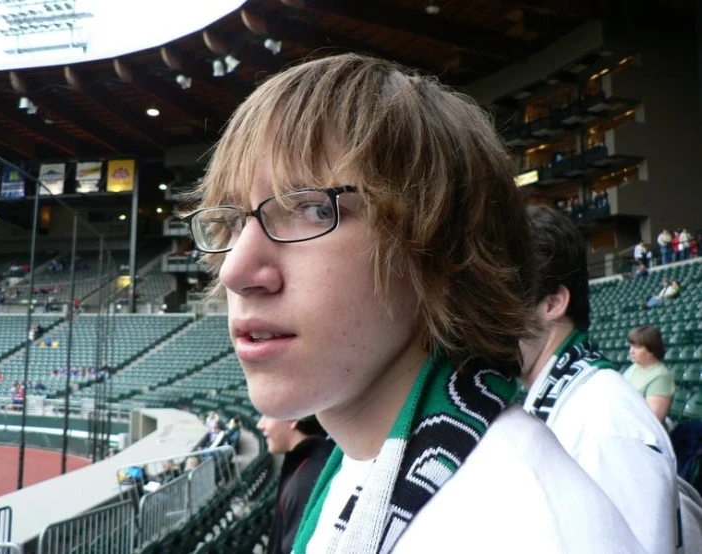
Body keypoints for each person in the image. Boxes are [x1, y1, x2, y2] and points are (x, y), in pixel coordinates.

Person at [185, 54, 644, 552]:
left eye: (313, 209)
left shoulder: (527, 528)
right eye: (231, 221)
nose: (235, 270)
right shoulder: (355, 468)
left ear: (443, 251)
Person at [521, 206, 682, 553]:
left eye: (497, 297)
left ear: (552, 303)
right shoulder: (579, 402)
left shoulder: (605, 423)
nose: (480, 318)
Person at [259, 415, 334, 554]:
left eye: (267, 416)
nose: (260, 424)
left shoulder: (303, 483)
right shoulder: (312, 458)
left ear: (292, 420)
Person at [624, 325, 676, 422]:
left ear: (651, 349)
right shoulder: (634, 368)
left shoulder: (661, 377)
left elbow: (653, 420)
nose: (631, 351)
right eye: (630, 346)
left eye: (637, 347)